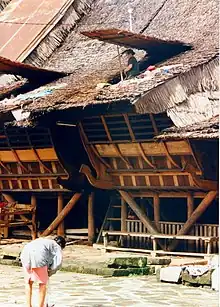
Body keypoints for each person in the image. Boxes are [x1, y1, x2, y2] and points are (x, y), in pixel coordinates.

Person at [20, 236, 66, 307]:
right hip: (39, 256)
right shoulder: (57, 246)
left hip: (25, 254)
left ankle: (28, 305)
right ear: (61, 245)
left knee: (28, 282)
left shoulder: (45, 241)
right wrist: (49, 273)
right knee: (42, 284)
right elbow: (58, 263)